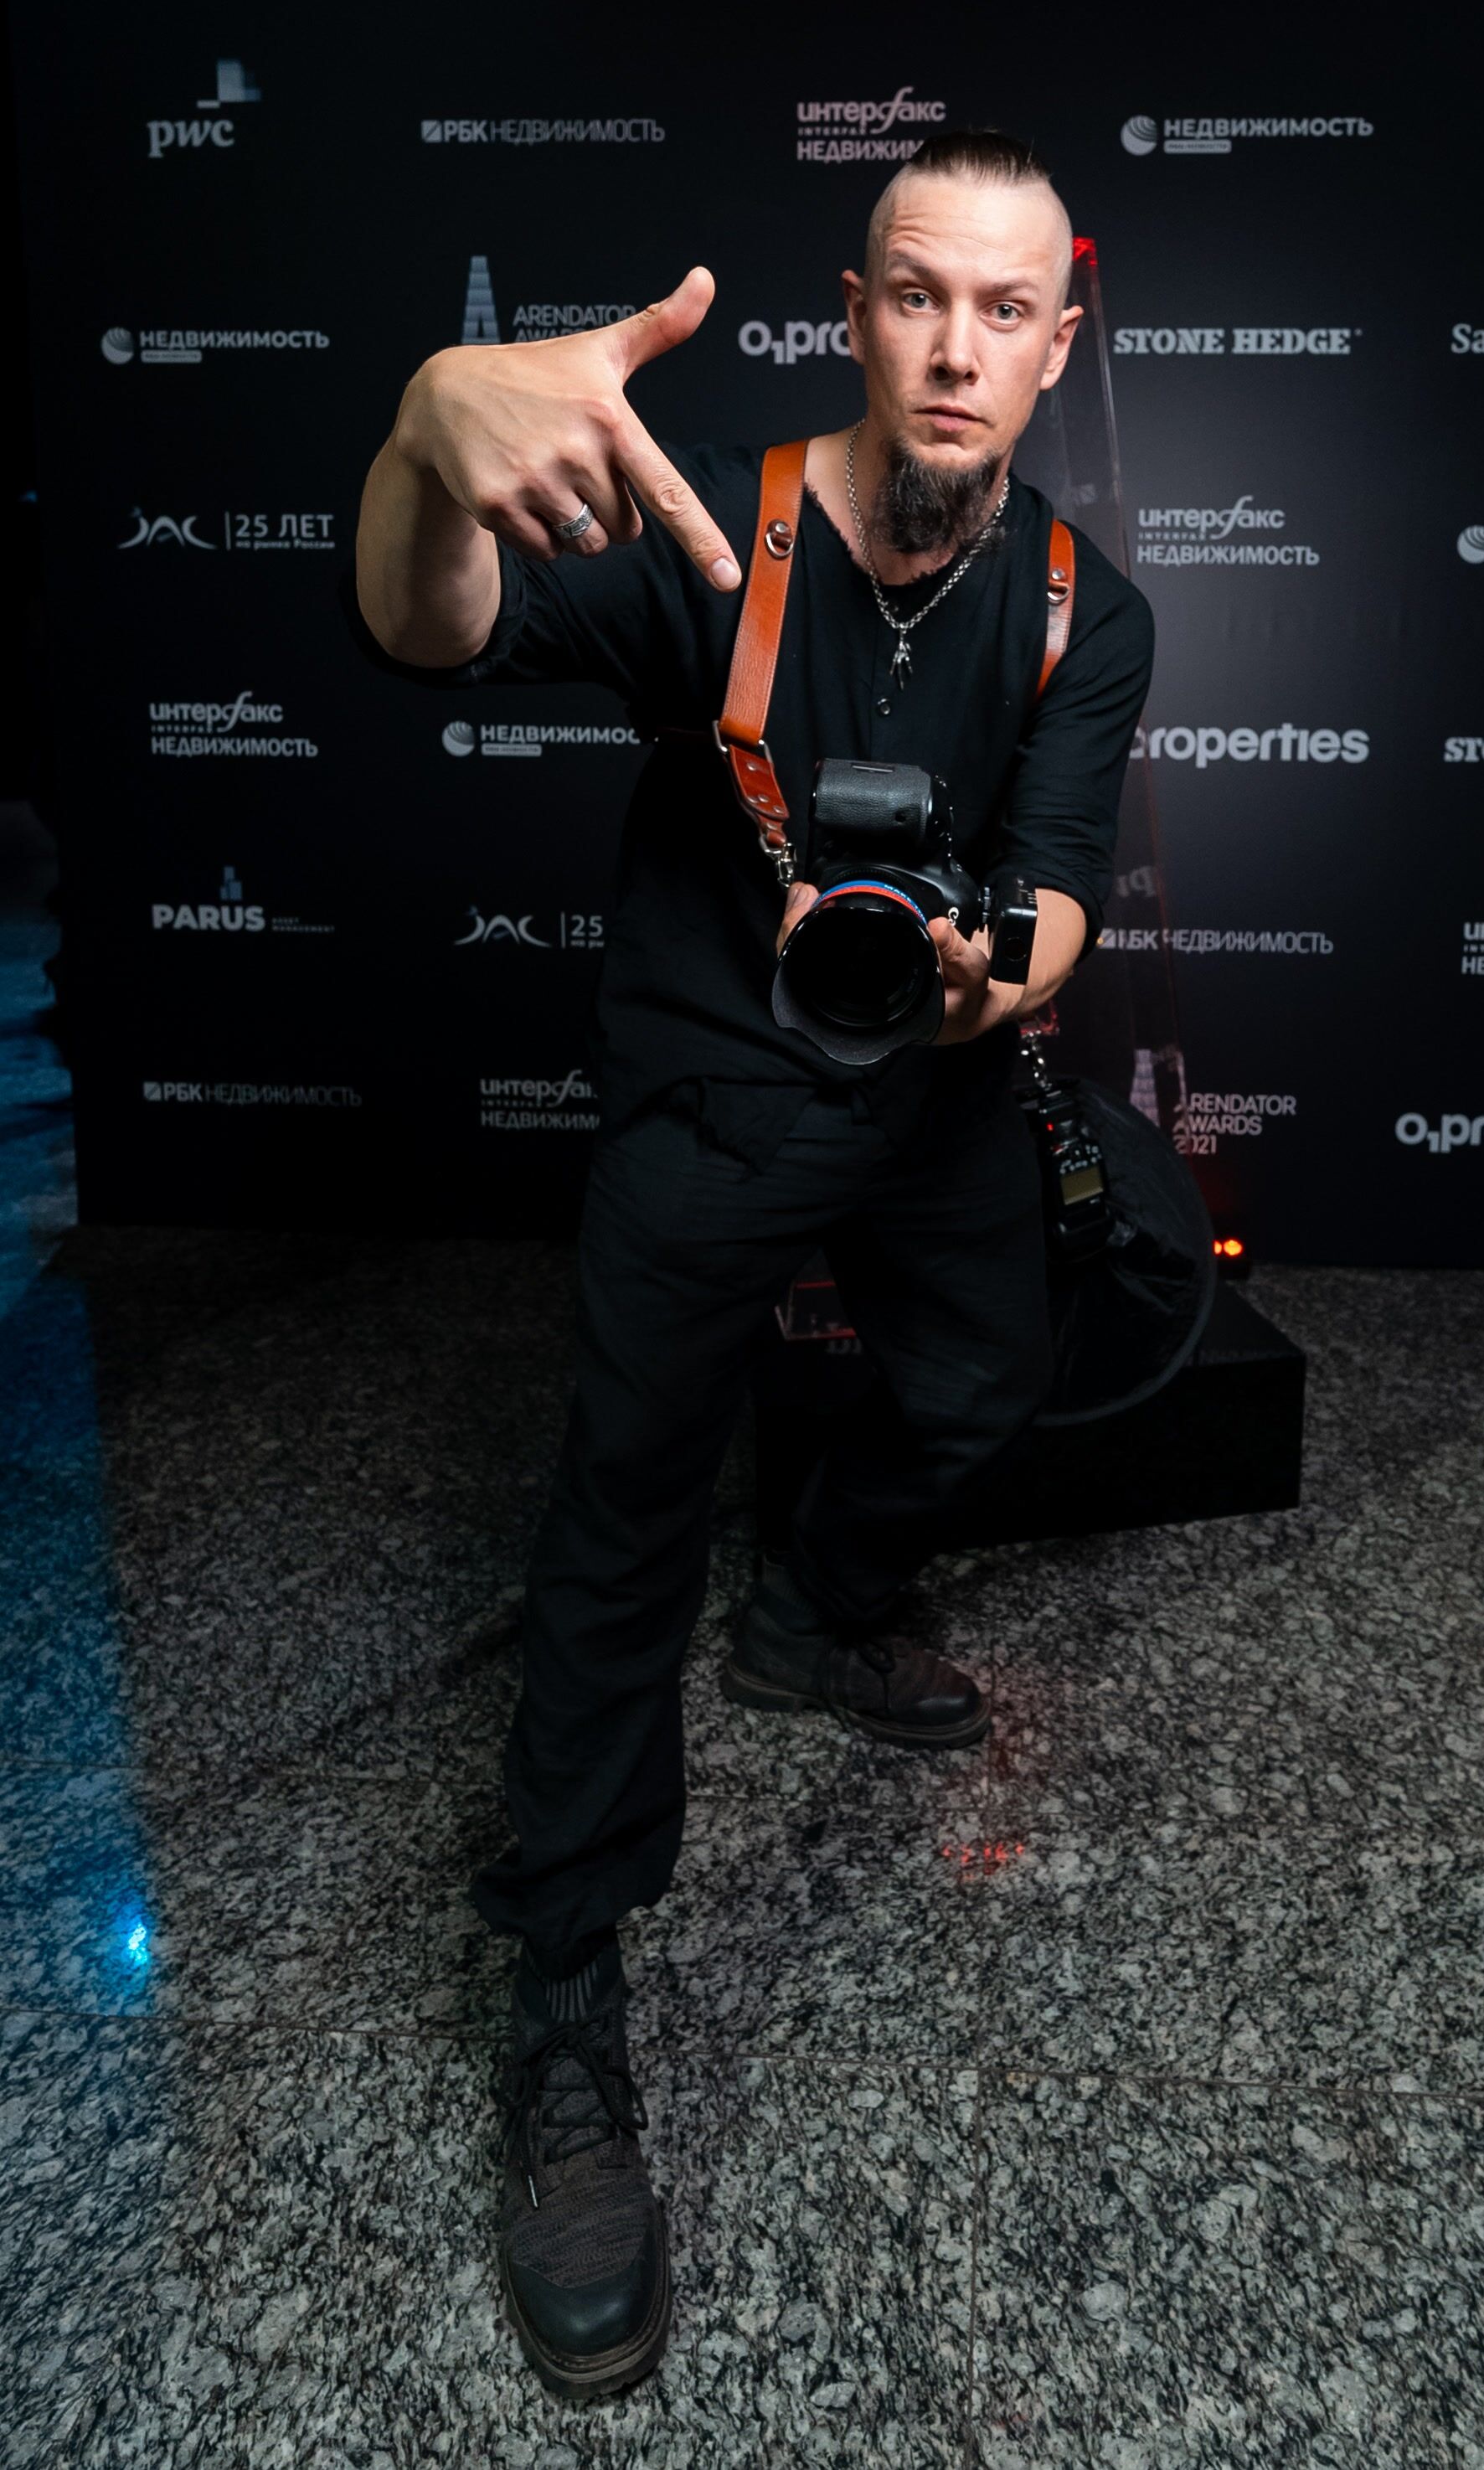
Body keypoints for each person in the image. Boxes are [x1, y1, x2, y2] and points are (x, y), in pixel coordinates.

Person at [353, 131, 1154, 2396]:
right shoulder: (714, 533)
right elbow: (427, 630)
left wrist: (987, 972)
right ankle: (564, 2004)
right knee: (618, 1521)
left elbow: (1061, 888)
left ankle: (815, 1603)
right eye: (919, 295)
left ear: (1057, 340)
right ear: (856, 309)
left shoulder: (1090, 607)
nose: (958, 348)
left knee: (987, 1383)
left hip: (935, 1084)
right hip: (715, 1089)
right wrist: (423, 438)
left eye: (1006, 310)